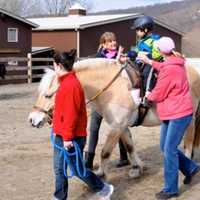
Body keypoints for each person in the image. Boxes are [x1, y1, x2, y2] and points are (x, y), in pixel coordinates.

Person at [138, 37, 200, 200]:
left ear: (161, 51)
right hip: (171, 112)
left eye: (157, 48)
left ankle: (171, 189)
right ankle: (191, 168)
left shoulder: (169, 70)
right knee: (164, 147)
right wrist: (149, 61)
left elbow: (159, 92)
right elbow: (163, 66)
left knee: (169, 150)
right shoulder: (173, 62)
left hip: (179, 114)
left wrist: (148, 96)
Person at [52, 50, 114, 200]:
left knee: (77, 169)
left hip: (71, 136)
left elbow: (71, 114)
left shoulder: (70, 85)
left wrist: (67, 138)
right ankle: (59, 197)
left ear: (59, 65)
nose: (53, 67)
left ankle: (103, 188)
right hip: (63, 133)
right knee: (59, 169)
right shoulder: (66, 82)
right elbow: (63, 110)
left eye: (53, 64)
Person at [85, 32, 129, 169]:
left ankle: (124, 157)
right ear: (103, 44)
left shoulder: (122, 56)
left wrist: (120, 59)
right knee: (94, 129)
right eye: (109, 41)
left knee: (121, 127)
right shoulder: (98, 57)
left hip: (115, 100)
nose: (113, 43)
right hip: (100, 99)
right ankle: (89, 160)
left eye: (114, 41)